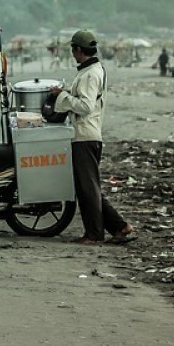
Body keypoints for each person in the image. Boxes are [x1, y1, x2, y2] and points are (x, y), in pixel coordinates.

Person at [49, 30, 134, 245]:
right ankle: (119, 226)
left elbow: (85, 106)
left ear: (78, 49)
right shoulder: (92, 70)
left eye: (73, 50)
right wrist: (65, 92)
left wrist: (62, 96)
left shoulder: (90, 74)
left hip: (85, 136)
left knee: (88, 189)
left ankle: (94, 234)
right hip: (86, 135)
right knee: (89, 187)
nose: (73, 54)